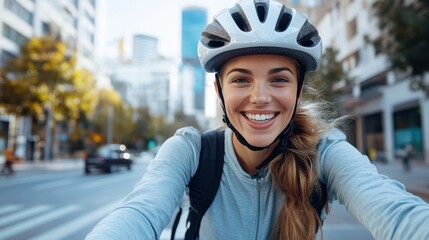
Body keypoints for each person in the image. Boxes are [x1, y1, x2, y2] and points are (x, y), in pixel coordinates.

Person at [86, 0, 429, 239]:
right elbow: (139, 214)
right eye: (241, 79)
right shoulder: (191, 151)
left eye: (279, 79)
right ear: (219, 91)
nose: (260, 97)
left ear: (297, 91)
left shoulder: (325, 154)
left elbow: (396, 212)